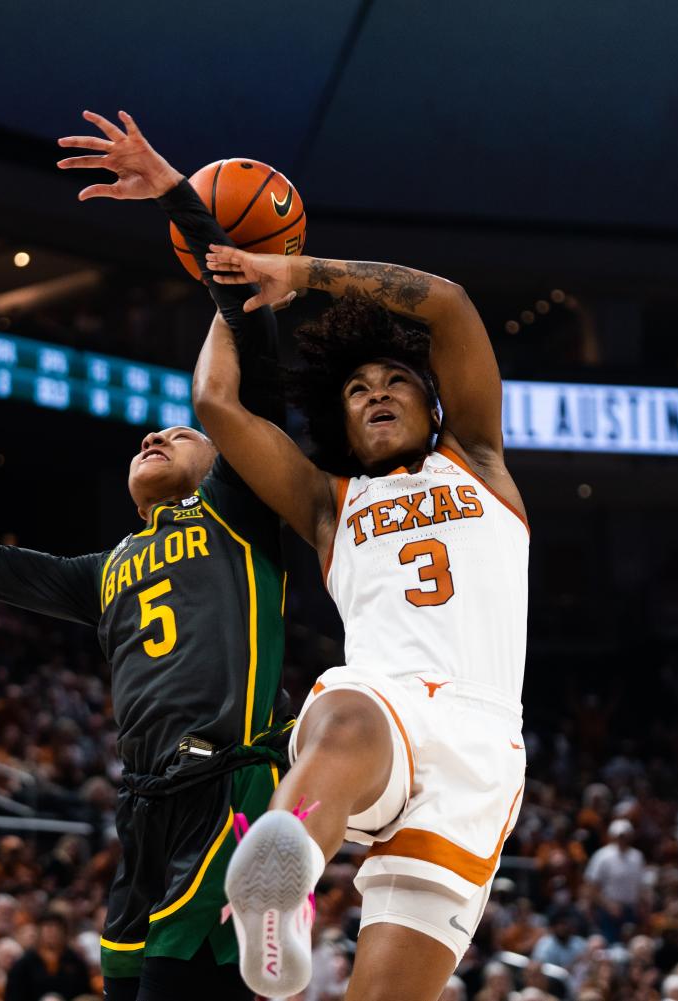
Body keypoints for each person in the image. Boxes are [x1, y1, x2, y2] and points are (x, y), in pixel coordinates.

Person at [0, 109, 293, 1001]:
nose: (154, 431)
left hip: (222, 787)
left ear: (225, 457)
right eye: (150, 432)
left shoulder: (239, 511)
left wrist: (180, 196)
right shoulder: (107, 568)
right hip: (139, 807)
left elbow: (248, 353)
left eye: (179, 430)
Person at [192, 240, 532, 999]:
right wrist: (229, 291)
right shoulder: (328, 504)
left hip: (479, 748)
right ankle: (281, 876)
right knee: (344, 709)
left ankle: (282, 869)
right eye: (355, 389)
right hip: (384, 706)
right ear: (339, 423)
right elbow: (217, 404)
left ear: (433, 401)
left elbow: (445, 302)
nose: (375, 392)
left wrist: (297, 271)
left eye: (394, 380)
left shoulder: (476, 457)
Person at [2, 914, 91, 1001]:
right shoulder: (23, 964)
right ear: (38, 933)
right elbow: (13, 995)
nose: (52, 933)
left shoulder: (75, 962)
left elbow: (84, 994)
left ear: (64, 933)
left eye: (56, 929)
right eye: (47, 929)